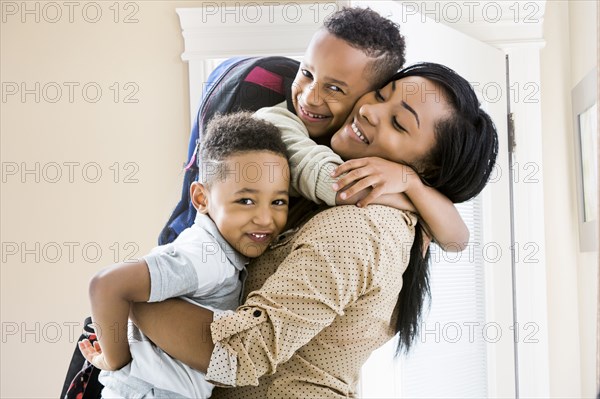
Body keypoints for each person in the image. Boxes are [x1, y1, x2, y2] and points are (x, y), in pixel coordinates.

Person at [129, 62, 499, 398]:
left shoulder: (361, 227)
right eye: (382, 94)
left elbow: (238, 354)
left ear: (429, 171)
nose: (369, 110)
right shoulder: (336, 185)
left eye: (399, 123)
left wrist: (130, 297)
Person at [77, 113, 291, 398]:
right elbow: (106, 284)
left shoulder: (221, 254)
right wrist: (116, 361)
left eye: (278, 201)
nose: (265, 218)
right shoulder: (205, 256)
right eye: (246, 200)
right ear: (202, 199)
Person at [252, 7, 469, 251]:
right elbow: (333, 183)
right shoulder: (273, 122)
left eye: (335, 89)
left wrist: (412, 184)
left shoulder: (357, 148)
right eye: (306, 73)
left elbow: (457, 241)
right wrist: (414, 200)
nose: (310, 97)